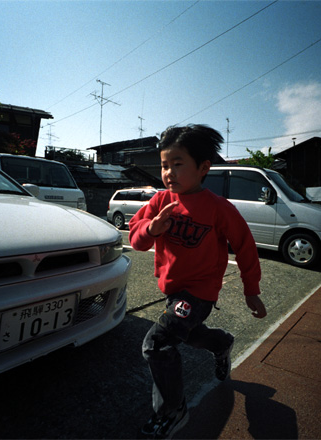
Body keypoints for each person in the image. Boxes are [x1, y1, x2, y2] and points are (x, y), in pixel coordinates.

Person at [129, 124, 267, 439]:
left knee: (157, 344)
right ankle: (221, 343)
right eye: (164, 165)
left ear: (203, 168)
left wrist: (252, 291)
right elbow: (136, 239)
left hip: (200, 293)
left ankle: (173, 411)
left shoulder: (219, 208)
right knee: (189, 336)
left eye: (178, 164)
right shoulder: (159, 201)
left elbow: (245, 247)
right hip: (173, 291)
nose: (169, 172)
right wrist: (152, 228)